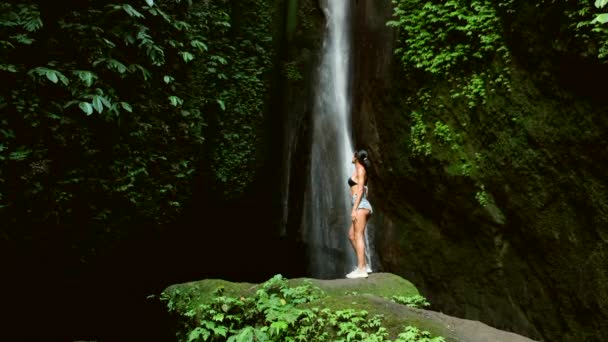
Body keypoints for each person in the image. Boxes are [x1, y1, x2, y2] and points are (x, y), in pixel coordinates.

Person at [346, 149, 373, 279]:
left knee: (358, 236)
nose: (351, 156)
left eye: (353, 155)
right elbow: (364, 188)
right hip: (361, 204)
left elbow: (361, 188)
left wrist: (354, 209)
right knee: (352, 235)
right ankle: (365, 264)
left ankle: (361, 269)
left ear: (356, 157)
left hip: (361, 206)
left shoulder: (360, 169)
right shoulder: (358, 169)